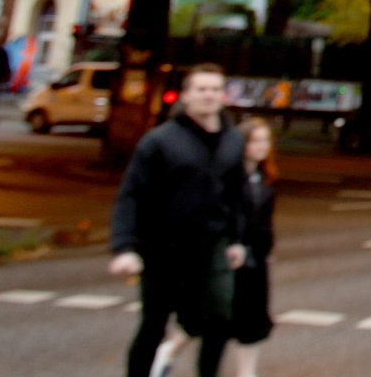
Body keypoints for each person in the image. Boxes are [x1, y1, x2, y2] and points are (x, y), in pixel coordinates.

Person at [109, 63, 248, 377]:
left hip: (213, 246)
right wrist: (124, 246)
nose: (208, 96)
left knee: (219, 318)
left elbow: (238, 195)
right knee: (155, 323)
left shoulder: (233, 141)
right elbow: (132, 194)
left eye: (215, 89)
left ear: (224, 95)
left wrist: (238, 239)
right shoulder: (160, 141)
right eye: (201, 89)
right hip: (162, 248)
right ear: (185, 96)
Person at [151, 115, 278, 377]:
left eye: (266, 141)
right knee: (205, 316)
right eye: (256, 141)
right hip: (223, 256)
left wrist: (265, 252)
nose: (262, 146)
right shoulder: (227, 176)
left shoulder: (266, 180)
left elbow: (265, 223)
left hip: (254, 260)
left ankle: (246, 373)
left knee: (251, 320)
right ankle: (168, 352)